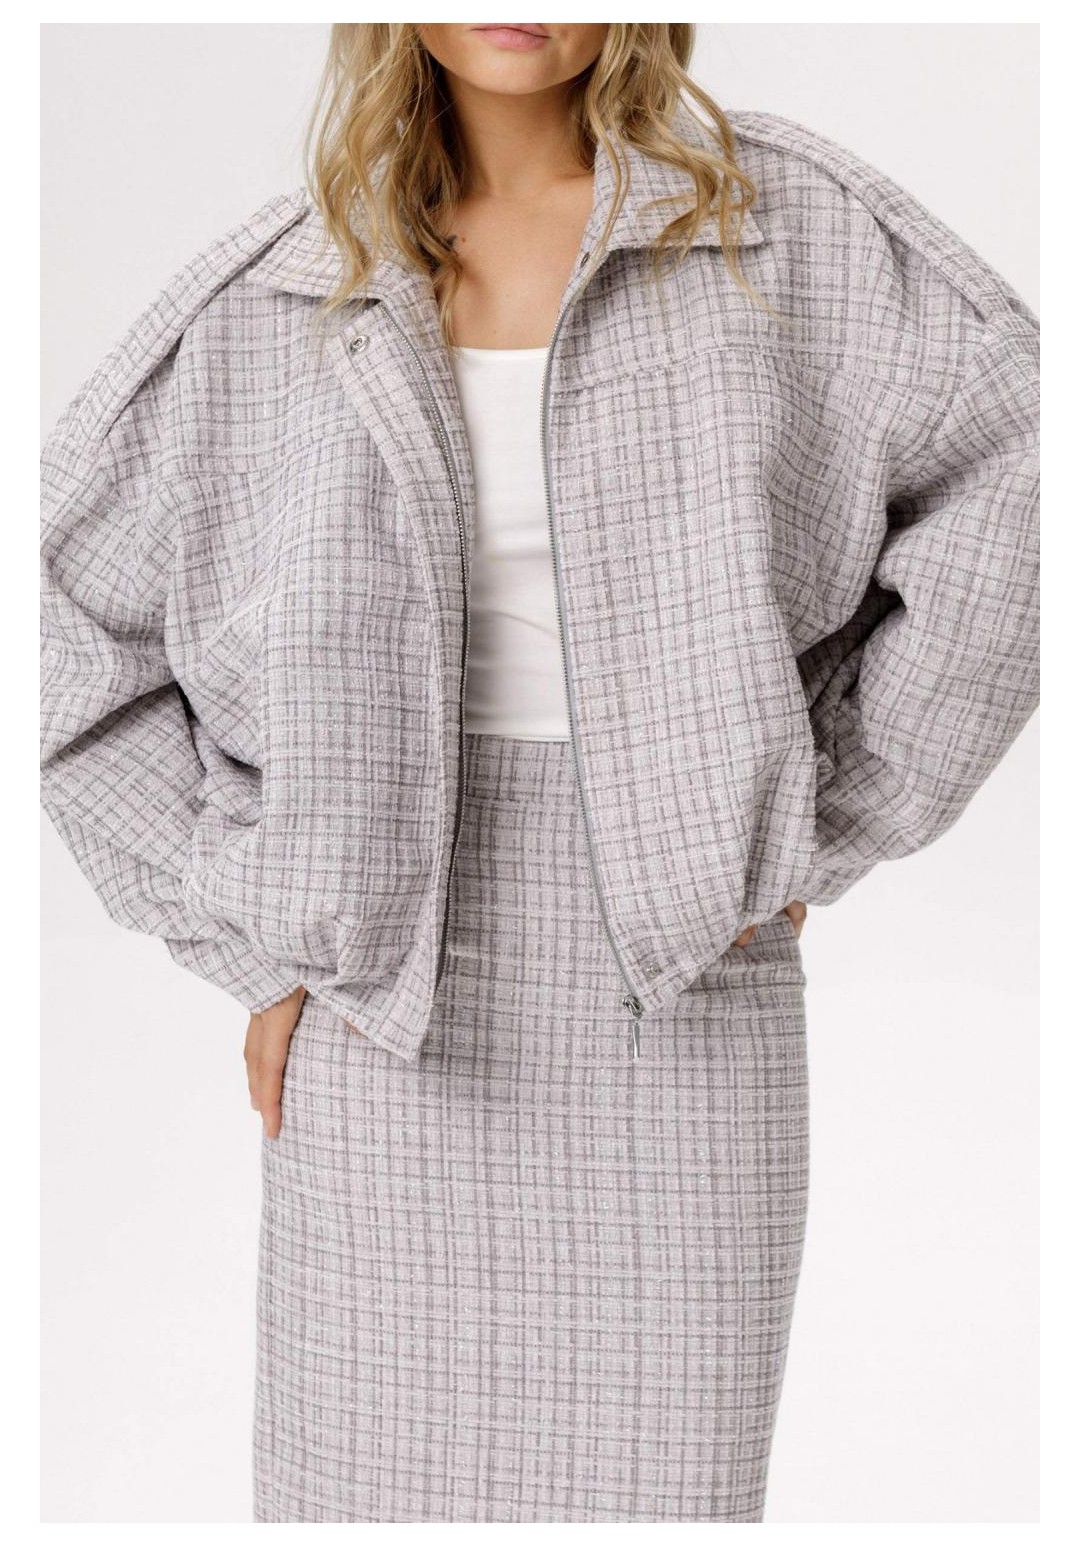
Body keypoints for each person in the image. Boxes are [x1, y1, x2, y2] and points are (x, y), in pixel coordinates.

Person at [39, 22, 1039, 1525]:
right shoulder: (278, 289)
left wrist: (822, 812)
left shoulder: (787, 231)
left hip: (689, 1009)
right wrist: (252, 936)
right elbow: (65, 637)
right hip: (383, 1019)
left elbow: (1028, 471)